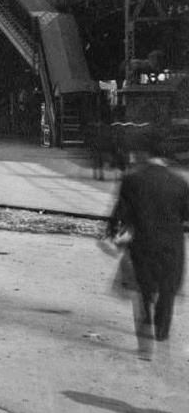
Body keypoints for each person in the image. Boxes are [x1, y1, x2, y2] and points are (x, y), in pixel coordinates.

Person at [105, 133, 189, 358]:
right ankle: (162, 330)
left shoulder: (132, 180)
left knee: (143, 292)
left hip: (142, 245)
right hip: (172, 247)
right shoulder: (180, 183)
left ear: (146, 154)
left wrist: (112, 234)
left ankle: (145, 344)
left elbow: (119, 213)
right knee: (167, 290)